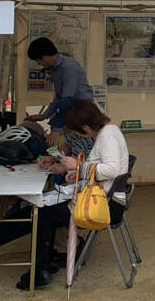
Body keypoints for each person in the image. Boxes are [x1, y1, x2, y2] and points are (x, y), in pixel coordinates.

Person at [15, 99, 129, 290]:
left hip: (104, 205)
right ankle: (46, 262)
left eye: (76, 131)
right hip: (103, 198)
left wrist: (78, 166)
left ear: (85, 126)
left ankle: (39, 270)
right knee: (47, 210)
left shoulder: (107, 136)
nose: (75, 135)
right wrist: (77, 174)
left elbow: (111, 170)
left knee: (44, 213)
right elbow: (100, 170)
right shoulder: (109, 132)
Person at [23, 38, 95, 157]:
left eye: (38, 61)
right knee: (68, 150)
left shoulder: (68, 67)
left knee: (81, 154)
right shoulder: (55, 69)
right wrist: (44, 115)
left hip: (82, 115)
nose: (39, 64)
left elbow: (67, 100)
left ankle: (76, 173)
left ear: (44, 57)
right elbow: (59, 99)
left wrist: (56, 130)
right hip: (71, 114)